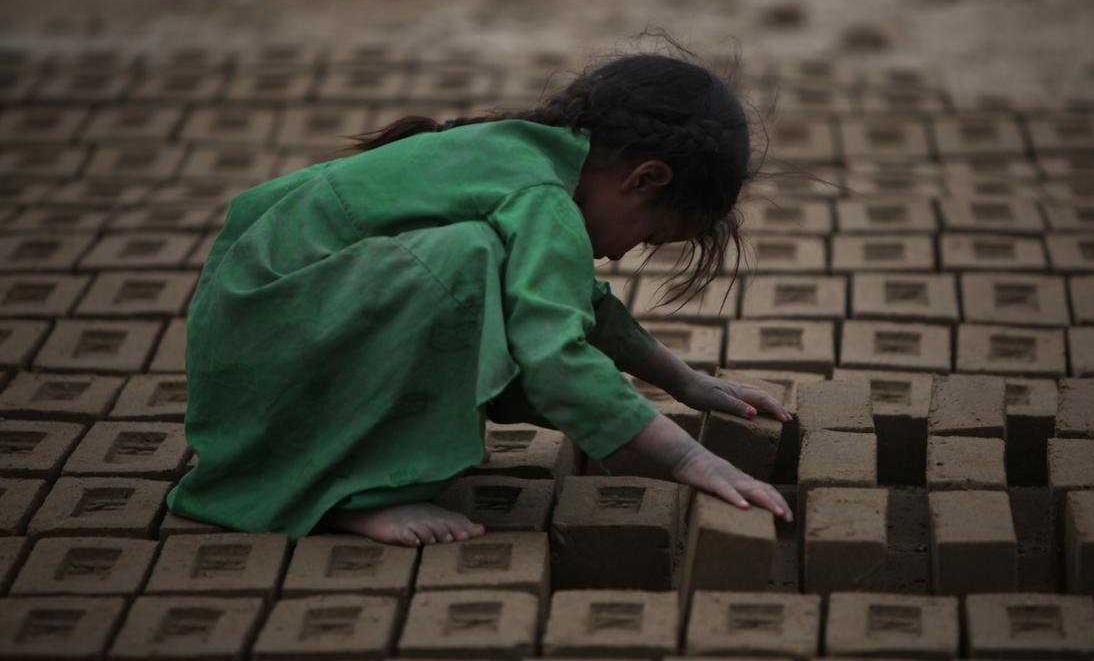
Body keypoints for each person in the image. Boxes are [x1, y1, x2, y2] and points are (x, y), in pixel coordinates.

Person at [165, 49, 794, 547]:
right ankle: (348, 495)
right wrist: (689, 459)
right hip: (272, 364)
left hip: (260, 337)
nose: (621, 255)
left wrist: (684, 381)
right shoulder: (542, 197)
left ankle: (359, 458)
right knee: (469, 260)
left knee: (494, 271)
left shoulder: (521, 151)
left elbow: (572, 299)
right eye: (649, 235)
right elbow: (554, 354)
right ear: (645, 178)